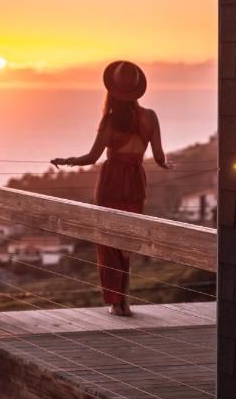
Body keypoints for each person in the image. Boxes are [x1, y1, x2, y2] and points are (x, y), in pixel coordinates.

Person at [51, 60, 171, 316]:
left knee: (108, 241)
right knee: (127, 241)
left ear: (112, 90)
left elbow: (92, 157)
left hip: (111, 181)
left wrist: (66, 160)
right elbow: (160, 157)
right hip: (136, 181)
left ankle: (116, 303)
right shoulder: (151, 117)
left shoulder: (111, 121)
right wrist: (167, 165)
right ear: (138, 89)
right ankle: (125, 302)